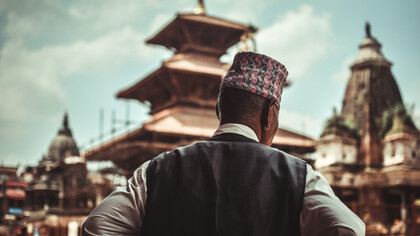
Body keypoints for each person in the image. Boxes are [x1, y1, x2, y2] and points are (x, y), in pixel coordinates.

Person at [82, 52, 365, 236]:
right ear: (270, 114)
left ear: (220, 111)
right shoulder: (299, 176)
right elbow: (350, 230)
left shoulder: (156, 171)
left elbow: (96, 227)